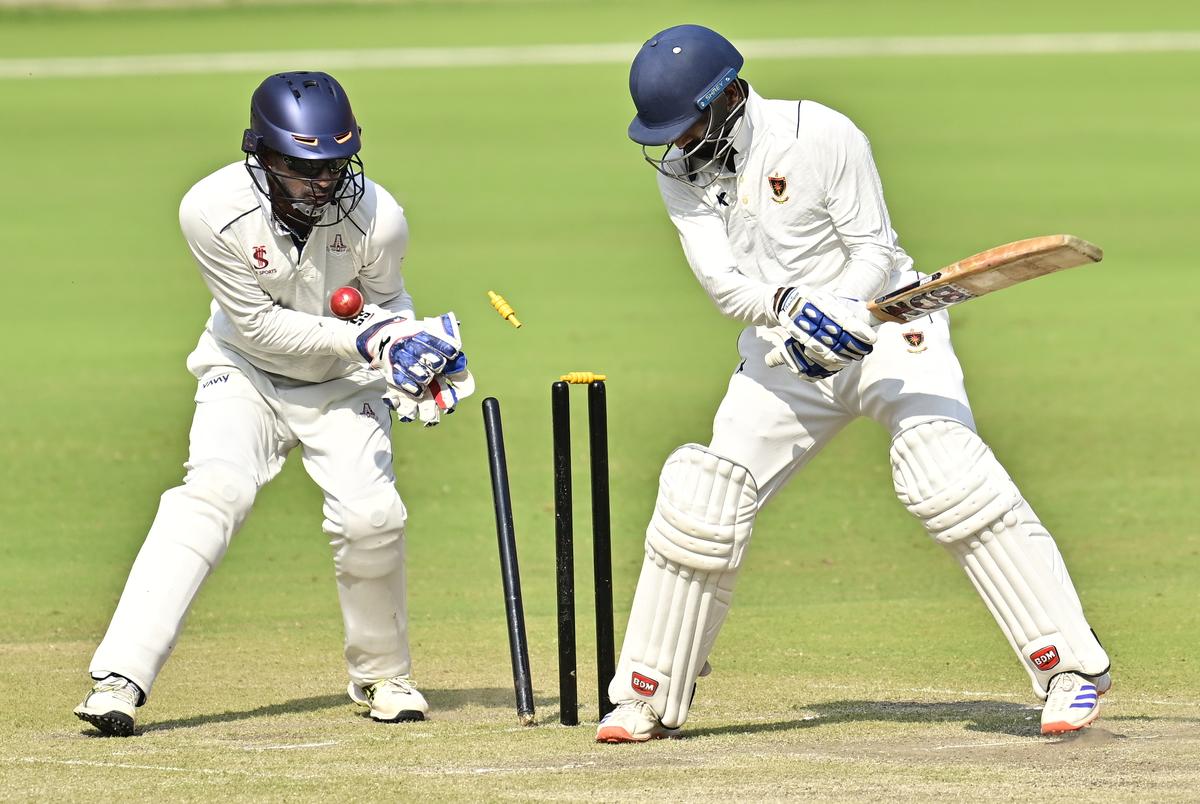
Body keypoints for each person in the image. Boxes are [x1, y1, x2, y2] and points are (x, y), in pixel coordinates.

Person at [596, 25, 1111, 743]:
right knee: (703, 499)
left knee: (944, 470)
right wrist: (790, 311)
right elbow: (724, 285)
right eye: (669, 134)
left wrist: (840, 311)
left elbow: (874, 248)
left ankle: (1069, 671)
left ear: (730, 97)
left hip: (891, 330)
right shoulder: (677, 176)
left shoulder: (821, 135)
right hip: (787, 353)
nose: (680, 146)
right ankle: (647, 691)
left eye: (690, 128)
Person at [74, 71, 473, 736]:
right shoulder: (209, 210)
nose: (320, 184)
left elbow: (390, 303)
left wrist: (411, 349)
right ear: (260, 156)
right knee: (213, 496)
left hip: (345, 380)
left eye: (332, 167)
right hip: (246, 371)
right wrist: (367, 338)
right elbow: (259, 328)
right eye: (299, 167)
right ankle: (120, 678)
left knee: (373, 515)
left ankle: (383, 676)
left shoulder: (380, 216)